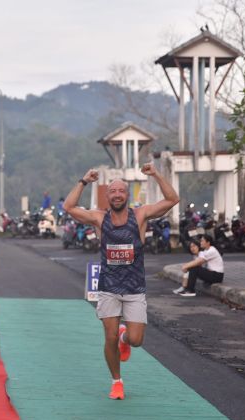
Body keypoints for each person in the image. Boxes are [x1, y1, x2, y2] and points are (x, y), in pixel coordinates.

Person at [64, 163, 179, 400]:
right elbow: (69, 207)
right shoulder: (99, 218)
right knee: (110, 336)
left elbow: (172, 199)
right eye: (113, 191)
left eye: (121, 191)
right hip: (108, 288)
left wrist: (156, 174)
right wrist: (84, 181)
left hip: (134, 287)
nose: (117, 194)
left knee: (136, 341)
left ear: (127, 195)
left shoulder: (140, 215)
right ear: (107, 196)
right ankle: (117, 381)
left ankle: (126, 338)